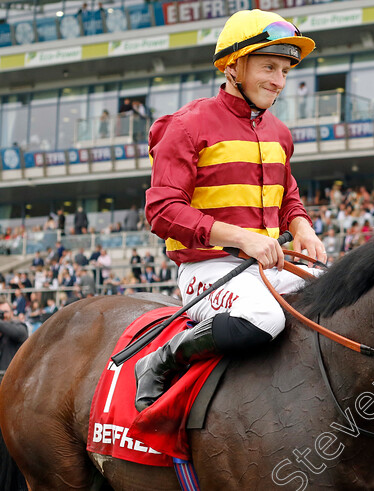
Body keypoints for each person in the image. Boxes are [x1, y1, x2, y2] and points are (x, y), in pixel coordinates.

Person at [136, 9, 325, 412]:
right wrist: (243, 238)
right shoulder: (188, 126)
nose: (279, 81)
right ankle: (163, 357)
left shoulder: (279, 132)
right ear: (233, 66)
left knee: (345, 297)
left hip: (268, 264)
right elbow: (162, 211)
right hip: (207, 270)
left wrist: (303, 227)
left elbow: (287, 194)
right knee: (265, 318)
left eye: (286, 71)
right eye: (269, 67)